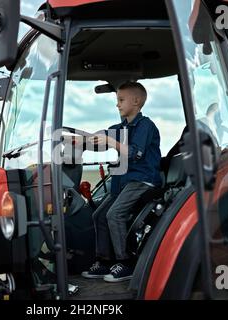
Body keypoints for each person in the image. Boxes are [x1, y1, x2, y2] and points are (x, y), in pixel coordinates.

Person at [80, 81, 162, 282]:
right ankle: (106, 260)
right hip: (124, 181)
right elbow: (102, 141)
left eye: (121, 100)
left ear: (136, 101)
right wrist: (82, 141)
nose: (117, 104)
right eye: (117, 100)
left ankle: (126, 263)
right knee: (99, 214)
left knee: (114, 214)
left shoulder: (145, 126)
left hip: (143, 180)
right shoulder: (119, 128)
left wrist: (111, 142)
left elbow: (135, 153)